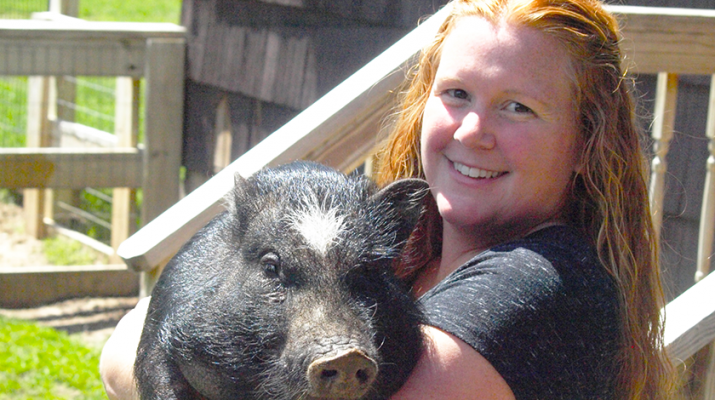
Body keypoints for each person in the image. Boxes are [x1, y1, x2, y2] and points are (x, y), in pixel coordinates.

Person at [100, 0, 679, 398]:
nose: (473, 130)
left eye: (518, 106)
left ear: (586, 143)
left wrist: (156, 348)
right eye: (457, 94)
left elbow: (126, 350)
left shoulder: (540, 285)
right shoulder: (392, 258)